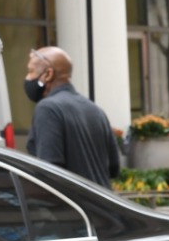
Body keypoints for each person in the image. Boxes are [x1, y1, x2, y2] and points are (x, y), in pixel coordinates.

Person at [23, 47, 121, 187]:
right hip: (102, 205)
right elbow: (114, 168)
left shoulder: (47, 109)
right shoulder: (96, 111)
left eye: (31, 71)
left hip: (72, 207)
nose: (27, 78)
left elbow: (49, 172)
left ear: (48, 74)